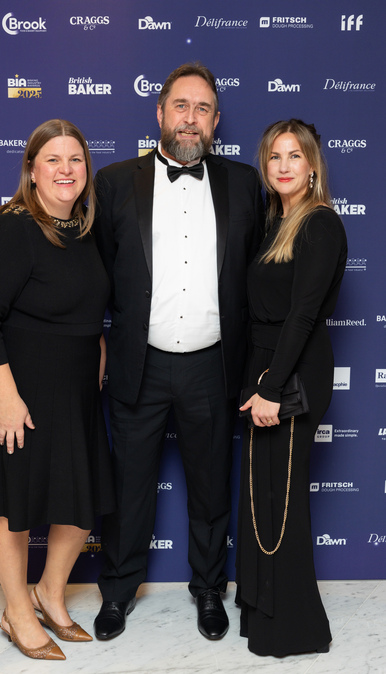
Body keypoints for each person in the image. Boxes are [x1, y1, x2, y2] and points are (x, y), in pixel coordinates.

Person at [93, 62, 264, 641]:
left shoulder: (244, 184)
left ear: (215, 121)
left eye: (203, 109)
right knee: (128, 485)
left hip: (214, 366)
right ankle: (118, 591)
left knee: (212, 487)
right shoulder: (115, 182)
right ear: (160, 112)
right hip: (139, 362)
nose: (191, 119)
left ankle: (209, 589)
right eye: (182, 106)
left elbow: (256, 275)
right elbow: (100, 273)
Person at [0, 119, 115, 660]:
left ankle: (50, 593)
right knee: (13, 506)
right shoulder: (13, 227)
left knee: (80, 504)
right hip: (18, 389)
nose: (66, 170)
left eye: (75, 159)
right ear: (31, 169)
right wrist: (7, 398)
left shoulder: (86, 229)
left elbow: (87, 306)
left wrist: (97, 352)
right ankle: (18, 612)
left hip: (75, 390)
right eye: (53, 159)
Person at [236, 119, 347, 656]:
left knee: (280, 501)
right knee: (263, 496)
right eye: (274, 156)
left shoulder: (319, 224)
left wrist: (273, 389)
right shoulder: (273, 221)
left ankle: (294, 628)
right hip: (265, 366)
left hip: (292, 373)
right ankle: (264, 610)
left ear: (312, 166)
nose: (283, 166)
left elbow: (302, 315)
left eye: (294, 156)